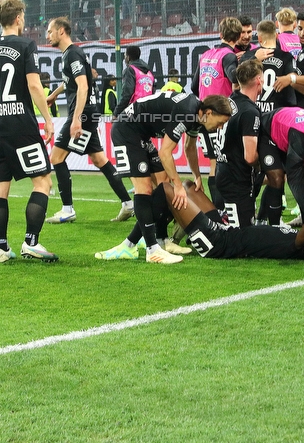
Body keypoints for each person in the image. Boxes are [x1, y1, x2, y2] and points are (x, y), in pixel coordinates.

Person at [95, 91, 232, 264]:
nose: (219, 127)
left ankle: (158, 241)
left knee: (163, 188)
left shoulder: (199, 116)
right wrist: (179, 185)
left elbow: (189, 148)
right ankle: (151, 250)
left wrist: (197, 176)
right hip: (126, 129)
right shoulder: (188, 112)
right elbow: (165, 152)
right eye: (221, 123)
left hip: (141, 134)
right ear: (210, 113)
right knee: (144, 188)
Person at [0, 0, 58, 263]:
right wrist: (47, 118)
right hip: (21, 126)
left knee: (0, 187)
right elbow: (34, 86)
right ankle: (31, 242)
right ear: (19, 17)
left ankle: (2, 248)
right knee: (43, 181)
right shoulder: (26, 45)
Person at [44, 17, 135, 224]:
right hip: (88, 112)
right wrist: (56, 94)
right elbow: (74, 82)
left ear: (61, 31)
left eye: (50, 31)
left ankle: (67, 209)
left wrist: (76, 120)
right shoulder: (71, 54)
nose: (47, 36)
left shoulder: (73, 54)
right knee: (99, 160)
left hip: (83, 113)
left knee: (56, 158)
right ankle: (128, 203)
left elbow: (83, 87)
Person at [159, 181, 304, 260]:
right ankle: (183, 226)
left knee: (169, 190)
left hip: (217, 243)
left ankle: (158, 239)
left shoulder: (302, 248)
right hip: (226, 229)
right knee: (189, 187)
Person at [191, 16, 241, 208]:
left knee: (214, 164)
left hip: (204, 116)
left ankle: (218, 211)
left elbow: (194, 86)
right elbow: (234, 76)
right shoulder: (229, 56)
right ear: (236, 38)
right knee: (226, 165)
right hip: (221, 118)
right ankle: (226, 210)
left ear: (220, 34)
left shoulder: (205, 55)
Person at [214, 59, 264, 228]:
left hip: (222, 171)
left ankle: (223, 219)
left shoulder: (230, 100)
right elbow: (250, 157)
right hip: (237, 180)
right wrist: (266, 162)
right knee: (244, 236)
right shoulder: (250, 111)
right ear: (258, 80)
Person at [243, 20, 296, 114]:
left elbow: (237, 79)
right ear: (276, 36)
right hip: (278, 112)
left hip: (253, 111)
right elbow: (292, 86)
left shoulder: (248, 56)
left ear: (259, 39)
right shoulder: (287, 57)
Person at [113, 45, 155, 114]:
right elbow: (153, 91)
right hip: (148, 109)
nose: (124, 59)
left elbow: (127, 93)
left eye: (125, 56)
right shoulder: (149, 72)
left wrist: (117, 112)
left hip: (135, 109)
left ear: (128, 57)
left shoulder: (130, 70)